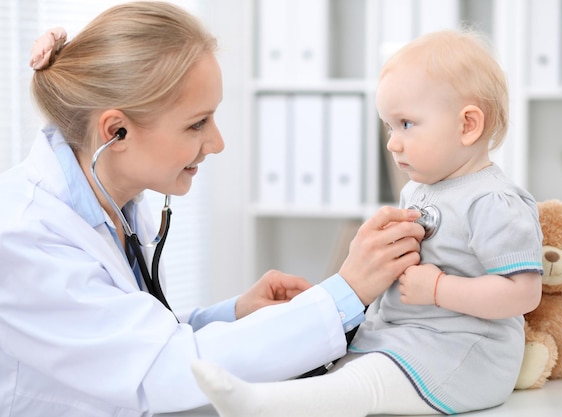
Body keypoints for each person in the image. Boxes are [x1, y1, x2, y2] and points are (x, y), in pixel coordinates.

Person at [0, 2, 425, 416]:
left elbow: (131, 335)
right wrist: (347, 292)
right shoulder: (23, 236)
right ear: (116, 130)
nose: (217, 142)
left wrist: (235, 314)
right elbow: (156, 370)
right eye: (197, 123)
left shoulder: (119, 205)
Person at [191, 29, 545, 416]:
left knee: (369, 381)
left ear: (467, 126)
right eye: (389, 127)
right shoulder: (419, 190)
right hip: (403, 337)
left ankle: (259, 404)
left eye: (406, 124)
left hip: (466, 352)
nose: (392, 142)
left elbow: (523, 294)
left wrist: (440, 288)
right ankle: (260, 393)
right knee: (327, 361)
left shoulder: (495, 201)